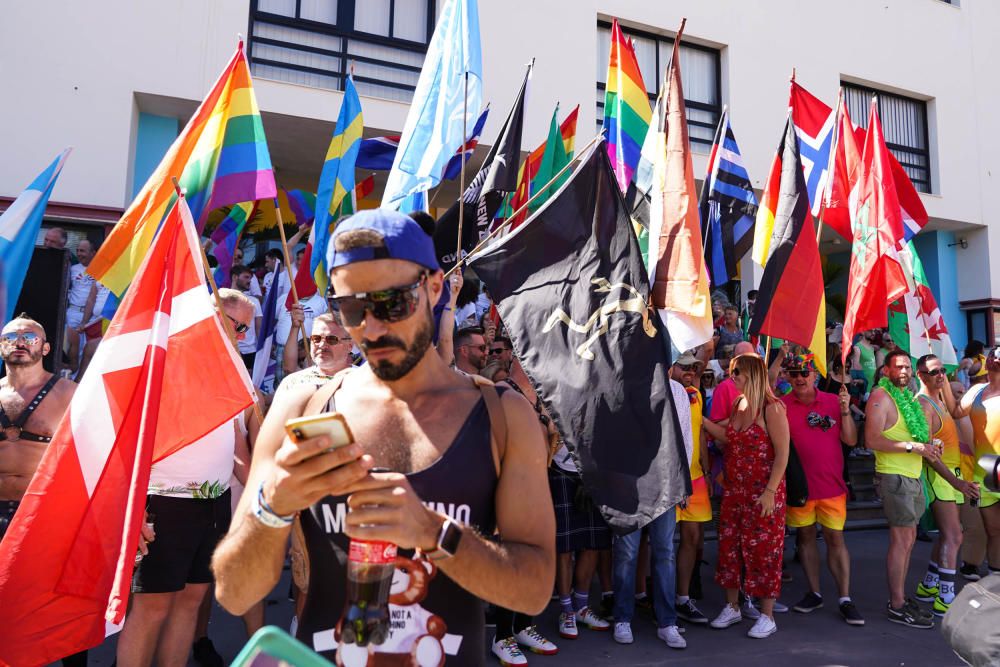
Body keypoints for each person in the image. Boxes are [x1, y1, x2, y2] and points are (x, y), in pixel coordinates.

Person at [211, 210, 555, 665]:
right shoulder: (303, 409)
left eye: (392, 303)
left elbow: (533, 591)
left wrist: (432, 532)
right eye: (353, 308)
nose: (371, 327)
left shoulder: (502, 416)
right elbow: (234, 595)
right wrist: (273, 506)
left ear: (434, 288)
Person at [117, 289, 256, 666]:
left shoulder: (235, 370)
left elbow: (237, 447)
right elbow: (128, 440)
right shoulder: (166, 362)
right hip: (163, 502)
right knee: (152, 607)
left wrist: (257, 500)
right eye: (238, 325)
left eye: (247, 328)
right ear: (212, 317)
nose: (243, 336)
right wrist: (134, 511)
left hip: (214, 504)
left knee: (191, 603)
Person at [0, 315, 80, 665]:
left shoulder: (68, 394)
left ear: (46, 348)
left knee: (58, 608)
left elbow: (92, 455)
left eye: (29, 336)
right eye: (11, 336)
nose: (20, 342)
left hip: (44, 515)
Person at [702, 353, 789, 639]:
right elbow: (728, 437)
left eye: (736, 371)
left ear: (751, 373)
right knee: (729, 547)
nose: (732, 376)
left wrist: (769, 492)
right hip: (735, 491)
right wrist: (698, 417)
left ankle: (767, 615)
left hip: (762, 493)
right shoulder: (739, 404)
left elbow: (782, 455)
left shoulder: (772, 408)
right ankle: (733, 606)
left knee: (764, 551)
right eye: (731, 371)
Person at [779, 353, 864, 625]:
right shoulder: (780, 406)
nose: (800, 378)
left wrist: (844, 410)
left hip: (831, 487)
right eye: (793, 373)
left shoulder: (833, 402)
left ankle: (845, 598)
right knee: (804, 540)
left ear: (815, 375)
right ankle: (814, 592)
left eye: (804, 372)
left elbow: (850, 440)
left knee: (835, 541)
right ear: (786, 377)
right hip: (800, 490)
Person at [611, 377, 691, 649]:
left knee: (664, 552)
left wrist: (684, 482)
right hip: (630, 483)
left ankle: (667, 621)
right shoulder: (623, 384)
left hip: (666, 483)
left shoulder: (677, 390)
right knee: (626, 552)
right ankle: (622, 617)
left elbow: (684, 436)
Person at [863, 349, 940, 628]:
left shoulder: (907, 397)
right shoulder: (879, 397)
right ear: (886, 371)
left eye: (908, 367)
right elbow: (871, 440)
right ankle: (896, 605)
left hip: (913, 476)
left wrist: (927, 447)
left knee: (907, 541)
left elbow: (916, 437)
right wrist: (912, 446)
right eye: (899, 367)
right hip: (894, 477)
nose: (905, 372)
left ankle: (901, 598)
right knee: (901, 541)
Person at [913, 354, 980, 616]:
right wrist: (956, 482)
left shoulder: (941, 398)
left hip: (953, 474)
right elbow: (928, 454)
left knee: (948, 534)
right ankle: (946, 596)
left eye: (943, 370)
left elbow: (956, 411)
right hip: (941, 477)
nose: (940, 375)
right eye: (934, 372)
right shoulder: (923, 405)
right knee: (954, 536)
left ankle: (929, 584)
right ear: (921, 375)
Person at [953, 346, 1000, 587]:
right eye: (992, 359)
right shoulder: (976, 392)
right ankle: (991, 578)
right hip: (982, 471)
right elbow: (957, 413)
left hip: (989, 468)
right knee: (989, 529)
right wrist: (945, 384)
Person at [670, 352, 711, 625]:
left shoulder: (695, 393)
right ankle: (641, 595)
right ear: (671, 367)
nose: (689, 371)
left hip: (695, 479)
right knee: (655, 544)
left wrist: (707, 471)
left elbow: (699, 433)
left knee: (693, 539)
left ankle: (683, 598)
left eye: (692, 368)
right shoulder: (663, 393)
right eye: (684, 367)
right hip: (669, 480)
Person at [279, 309, 355, 392]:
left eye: (332, 339)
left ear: (349, 346)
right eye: (316, 338)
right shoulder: (293, 383)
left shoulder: (365, 381)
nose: (322, 345)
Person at [64, 239, 95, 370]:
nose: (79, 253)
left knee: (87, 348)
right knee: (70, 345)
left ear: (93, 253)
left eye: (82, 251)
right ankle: (69, 374)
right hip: (73, 312)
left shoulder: (101, 268)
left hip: (92, 315)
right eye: (77, 250)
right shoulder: (73, 269)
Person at [232, 264, 263, 372]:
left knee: (249, 386)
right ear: (235, 277)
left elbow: (259, 328)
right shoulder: (221, 299)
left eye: (250, 278)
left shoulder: (254, 301)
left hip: (251, 351)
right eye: (246, 277)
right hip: (230, 349)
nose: (249, 281)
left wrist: (261, 348)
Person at [851, 331, 879, 396]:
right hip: (864, 387)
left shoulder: (872, 348)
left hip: (873, 384)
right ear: (863, 332)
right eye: (870, 331)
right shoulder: (857, 348)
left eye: (874, 331)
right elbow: (855, 367)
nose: (873, 333)